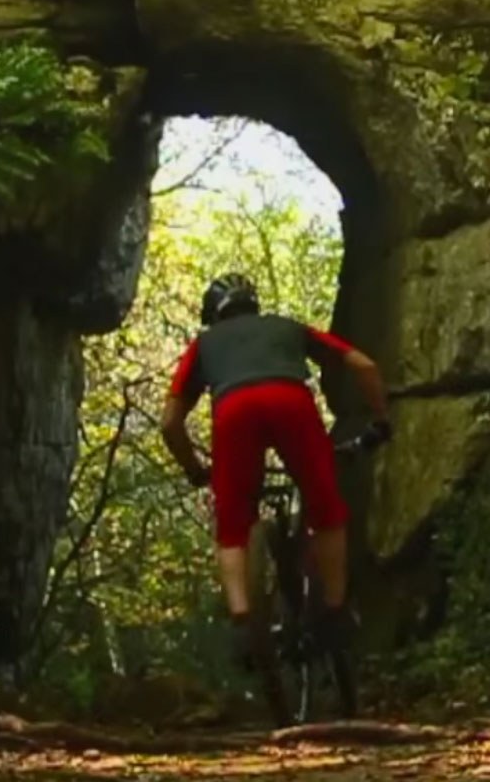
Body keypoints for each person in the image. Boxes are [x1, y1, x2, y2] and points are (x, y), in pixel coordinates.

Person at [160, 273, 391, 696]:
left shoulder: (205, 346)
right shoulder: (287, 328)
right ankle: (336, 612)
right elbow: (364, 365)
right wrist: (381, 419)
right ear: (254, 304)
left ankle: (244, 622)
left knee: (232, 525)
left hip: (233, 411)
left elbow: (170, 423)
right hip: (291, 401)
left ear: (214, 315)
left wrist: (195, 468)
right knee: (326, 507)